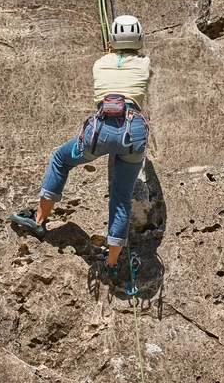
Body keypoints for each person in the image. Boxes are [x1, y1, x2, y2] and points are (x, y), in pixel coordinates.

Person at [11, 15, 150, 276]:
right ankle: (112, 262)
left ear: (112, 40)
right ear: (140, 39)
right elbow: (135, 66)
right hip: (134, 134)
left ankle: (39, 220)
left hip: (101, 132)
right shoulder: (145, 64)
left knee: (62, 160)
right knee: (121, 197)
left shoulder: (100, 63)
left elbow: (110, 62)